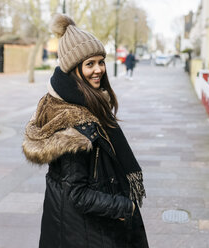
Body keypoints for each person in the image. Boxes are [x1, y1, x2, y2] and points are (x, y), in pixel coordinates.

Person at [22, 13, 148, 248]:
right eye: (89, 64)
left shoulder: (89, 105)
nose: (98, 69)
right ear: (73, 69)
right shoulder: (73, 124)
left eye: (101, 61)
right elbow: (76, 194)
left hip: (77, 227)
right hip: (83, 232)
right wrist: (125, 207)